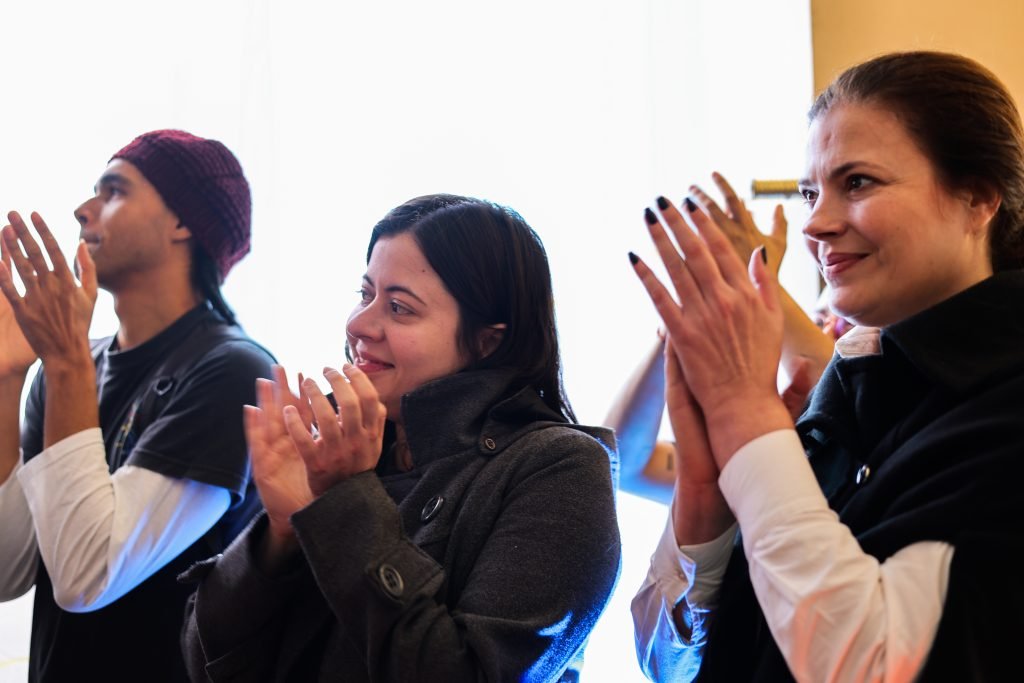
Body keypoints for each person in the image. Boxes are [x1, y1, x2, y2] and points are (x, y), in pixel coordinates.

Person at [629, 50, 1024, 681]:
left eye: (858, 182)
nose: (815, 224)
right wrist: (706, 500)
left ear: (976, 198)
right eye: (812, 191)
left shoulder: (1002, 406)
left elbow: (874, 666)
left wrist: (746, 415)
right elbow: (670, 667)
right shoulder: (847, 386)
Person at [180, 194, 622, 682]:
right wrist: (279, 534)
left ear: (486, 342)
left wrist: (345, 502)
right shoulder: (353, 448)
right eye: (364, 293)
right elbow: (207, 667)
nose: (358, 324)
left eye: (398, 307)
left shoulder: (561, 466)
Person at [0, 130, 275, 682]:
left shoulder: (233, 371)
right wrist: (7, 376)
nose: (83, 210)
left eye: (114, 191)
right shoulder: (76, 360)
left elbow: (85, 577)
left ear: (182, 223)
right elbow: (7, 568)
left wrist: (64, 362)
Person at [607, 175, 833, 504]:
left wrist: (757, 279)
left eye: (838, 328)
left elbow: (831, 379)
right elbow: (623, 465)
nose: (825, 328)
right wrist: (676, 326)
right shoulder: (766, 448)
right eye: (818, 319)